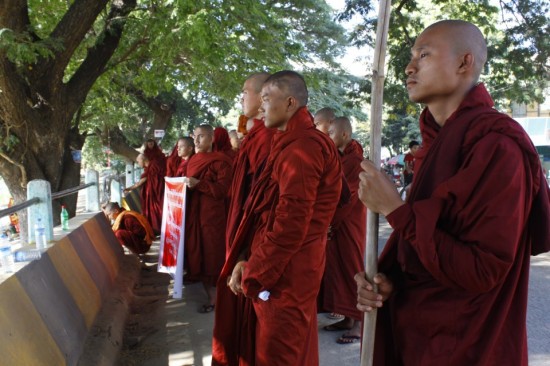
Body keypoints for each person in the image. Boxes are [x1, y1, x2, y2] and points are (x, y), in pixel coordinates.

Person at [355, 20, 550, 366]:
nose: (409, 66)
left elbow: (481, 270)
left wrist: (395, 209)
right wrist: (391, 282)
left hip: (468, 344)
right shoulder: (436, 143)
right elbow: (427, 251)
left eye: (424, 55)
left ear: (464, 63)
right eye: (412, 56)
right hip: (418, 335)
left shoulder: (496, 145)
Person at [212, 70, 342, 366]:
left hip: (288, 270)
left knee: (279, 352)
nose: (261, 107)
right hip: (286, 262)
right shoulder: (293, 142)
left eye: (267, 99)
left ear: (290, 103)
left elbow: (290, 224)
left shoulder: (302, 149)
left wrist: (256, 269)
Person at [321, 116, 366, 344]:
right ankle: (347, 318)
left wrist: (330, 223)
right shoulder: (339, 158)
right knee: (338, 270)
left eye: (330, 133)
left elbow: (348, 198)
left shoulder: (355, 161)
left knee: (353, 268)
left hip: (350, 222)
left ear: (344, 135)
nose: (327, 137)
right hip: (338, 223)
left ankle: (359, 323)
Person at [185, 124, 233, 313]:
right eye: (194, 136)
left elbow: (223, 190)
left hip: (214, 216)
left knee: (213, 255)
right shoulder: (194, 159)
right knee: (198, 254)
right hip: (194, 214)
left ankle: (217, 299)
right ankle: (210, 296)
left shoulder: (221, 161)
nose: (196, 141)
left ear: (212, 138)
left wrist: (199, 184)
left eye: (201, 136)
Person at [225, 72, 275, 253]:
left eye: (245, 92)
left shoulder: (267, 135)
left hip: (259, 223)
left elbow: (261, 189)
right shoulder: (254, 133)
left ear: (263, 96)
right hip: (246, 214)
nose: (241, 99)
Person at [123, 153, 165, 235]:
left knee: (156, 211)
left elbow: (140, 183)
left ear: (143, 160)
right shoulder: (149, 167)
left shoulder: (153, 166)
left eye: (138, 161)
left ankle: (159, 229)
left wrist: (129, 188)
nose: (138, 164)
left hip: (156, 194)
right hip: (155, 193)